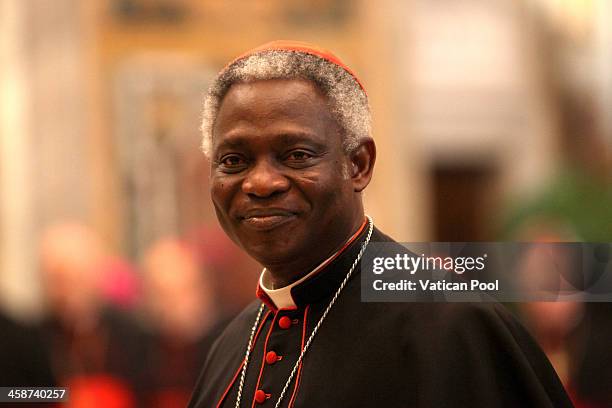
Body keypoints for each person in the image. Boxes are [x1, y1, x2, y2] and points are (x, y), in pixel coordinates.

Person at [188, 41, 574, 407]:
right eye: (234, 161)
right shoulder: (232, 344)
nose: (260, 183)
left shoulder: (455, 327)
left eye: (296, 155)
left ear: (358, 165)